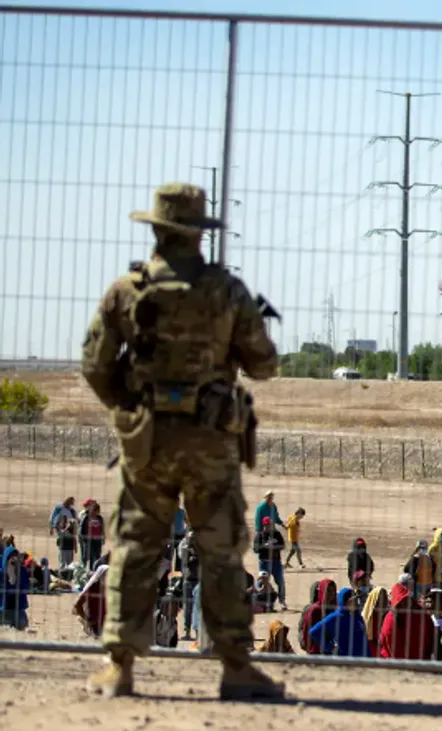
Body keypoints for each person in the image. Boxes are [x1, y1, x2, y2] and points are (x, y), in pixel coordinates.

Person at [78, 183, 284, 700]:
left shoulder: (129, 290)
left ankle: (119, 665)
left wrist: (129, 405)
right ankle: (235, 665)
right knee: (220, 551)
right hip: (212, 439)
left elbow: (94, 365)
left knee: (136, 546)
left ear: (156, 229)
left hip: (147, 439)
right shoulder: (226, 291)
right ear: (199, 234)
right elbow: (264, 364)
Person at [309, 587, 370, 658]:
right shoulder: (336, 617)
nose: (356, 603)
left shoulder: (358, 616)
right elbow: (314, 632)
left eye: (356, 600)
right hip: (345, 661)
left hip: (362, 661)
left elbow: (364, 639)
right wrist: (331, 647)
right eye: (353, 601)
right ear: (346, 602)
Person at [252, 517, 286, 610]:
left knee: (280, 582)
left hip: (276, 562)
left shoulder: (277, 534)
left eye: (271, 524)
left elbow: (282, 545)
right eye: (268, 525)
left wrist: (275, 545)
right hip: (264, 562)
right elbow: (255, 549)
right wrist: (265, 546)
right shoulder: (259, 535)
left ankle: (282, 601)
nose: (270, 526)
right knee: (261, 582)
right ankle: (257, 599)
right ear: (264, 525)